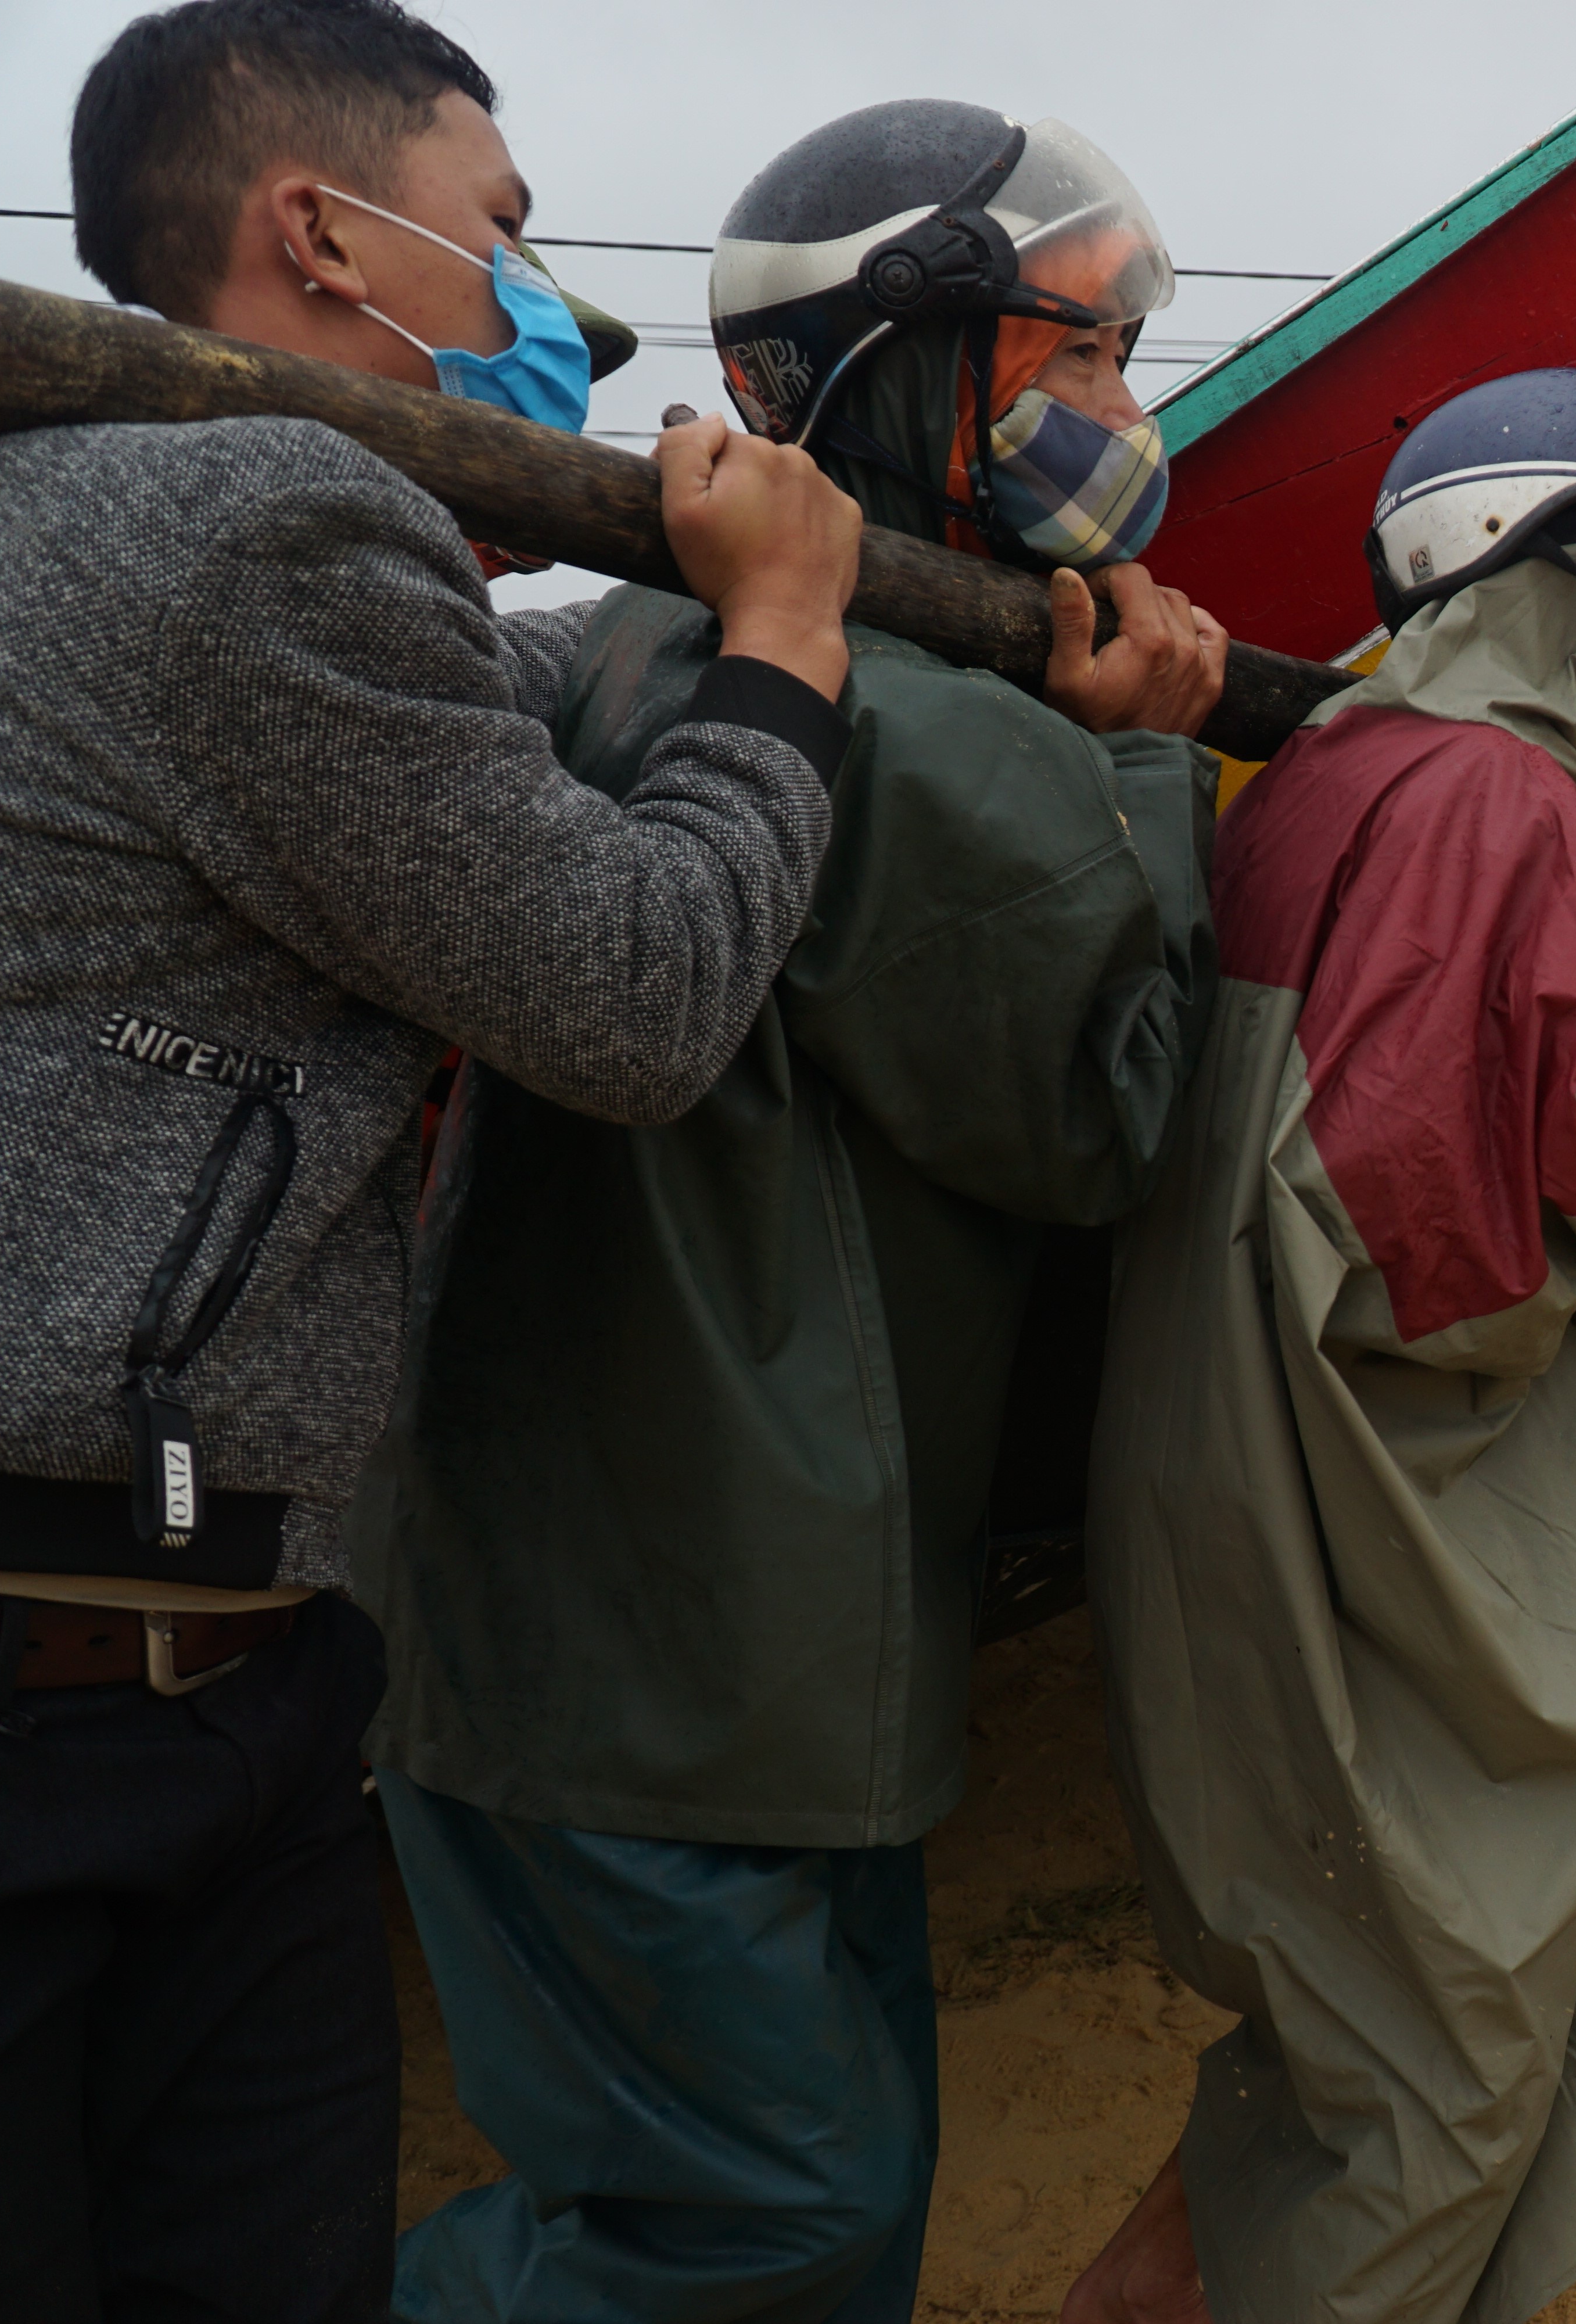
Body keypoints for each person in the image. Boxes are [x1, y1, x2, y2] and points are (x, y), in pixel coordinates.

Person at [0, 5, 861, 2315]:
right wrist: (782, 649)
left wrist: (672, 611)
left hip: (180, 1652)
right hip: (55, 1697)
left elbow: (457, 716)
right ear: (316, 235)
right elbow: (633, 999)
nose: (549, 301)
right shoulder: (265, 516)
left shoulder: (64, 506)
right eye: (504, 231)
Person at [344, 100, 1227, 2322]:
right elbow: (1115, 1117)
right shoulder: (907, 726)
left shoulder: (709, 656)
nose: (1126, 411)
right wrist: (1140, 765)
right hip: (676, 1638)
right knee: (762, 2224)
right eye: (1090, 354)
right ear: (919, 363)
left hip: (676, 1614)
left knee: (796, 2183)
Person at [1069, 368, 1576, 2324]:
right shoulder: (1499, 806)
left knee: (1350, 2013)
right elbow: (1449, 1279)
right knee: (1448, 2069)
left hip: (1233, 1477)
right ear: (1554, 583)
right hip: (1364, 1517)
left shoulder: (1341, 756)